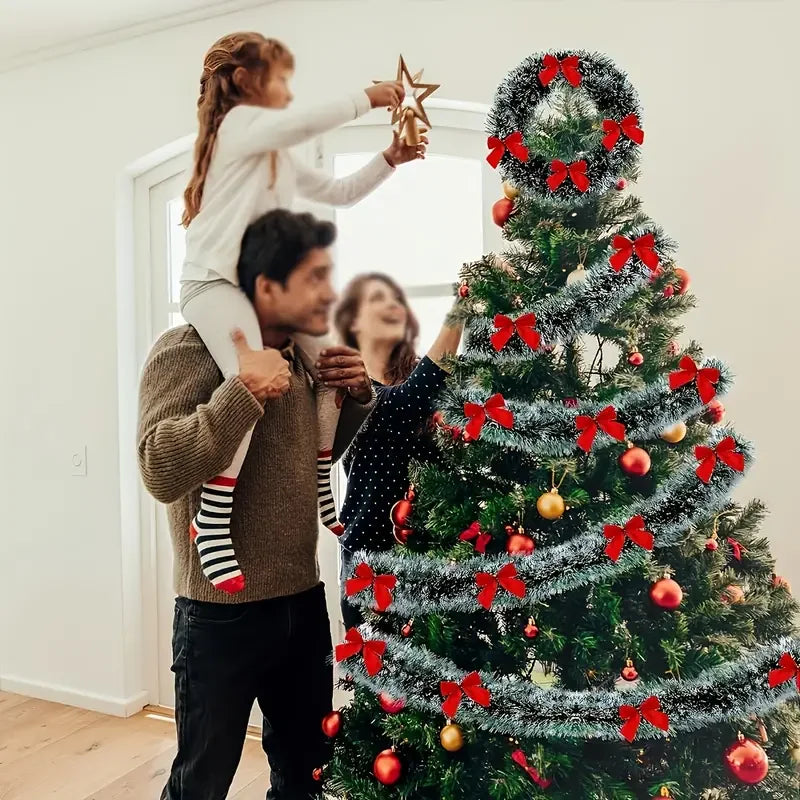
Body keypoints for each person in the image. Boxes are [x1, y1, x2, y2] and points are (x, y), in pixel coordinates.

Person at [138, 209, 373, 800]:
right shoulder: (184, 351)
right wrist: (240, 393)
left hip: (302, 598)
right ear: (264, 285)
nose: (326, 294)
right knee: (202, 782)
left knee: (306, 772)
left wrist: (357, 398)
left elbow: (311, 457)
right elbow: (159, 469)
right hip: (218, 612)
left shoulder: (305, 361)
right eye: (310, 279)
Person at [179, 31, 426, 593]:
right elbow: (298, 124)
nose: (285, 91)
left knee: (332, 364)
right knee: (259, 374)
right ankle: (212, 516)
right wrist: (370, 97)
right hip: (212, 284)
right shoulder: (236, 126)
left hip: (258, 289)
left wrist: (389, 158)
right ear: (243, 81)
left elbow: (338, 192)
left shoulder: (276, 156)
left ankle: (321, 482)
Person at [332, 273, 464, 628]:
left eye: (397, 299)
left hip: (440, 558)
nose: (393, 304)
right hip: (372, 566)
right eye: (378, 298)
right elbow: (403, 404)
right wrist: (462, 305)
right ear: (353, 320)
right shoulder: (346, 390)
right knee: (382, 682)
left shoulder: (430, 379)